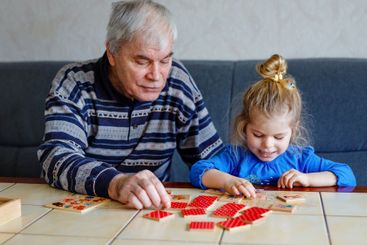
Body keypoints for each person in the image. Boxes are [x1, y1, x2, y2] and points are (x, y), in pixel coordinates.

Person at [38, 0, 224, 209]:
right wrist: (115, 183)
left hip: (151, 209)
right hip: (88, 208)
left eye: (164, 61)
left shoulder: (177, 83)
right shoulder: (74, 83)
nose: (156, 76)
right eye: (142, 61)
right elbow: (55, 159)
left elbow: (214, 161)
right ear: (112, 53)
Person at [190, 54, 356, 198]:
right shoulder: (235, 156)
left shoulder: (300, 158)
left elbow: (346, 175)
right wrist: (227, 181)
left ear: (294, 131)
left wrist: (307, 179)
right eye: (258, 135)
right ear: (244, 127)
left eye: (278, 137)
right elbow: (198, 170)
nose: (267, 145)